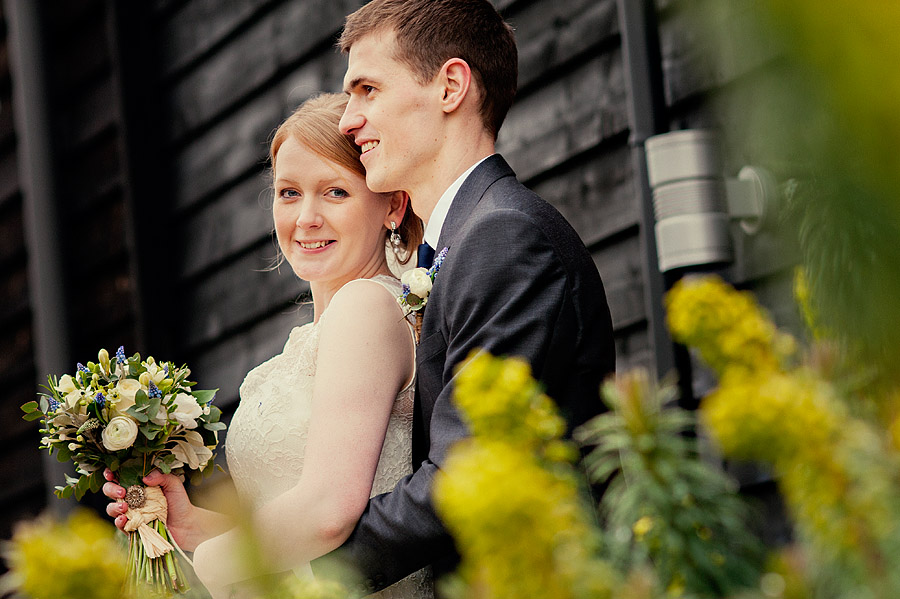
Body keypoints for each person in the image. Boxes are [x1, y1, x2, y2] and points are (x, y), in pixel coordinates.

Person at [319, 0, 616, 593]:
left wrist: (296, 576)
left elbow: (466, 472)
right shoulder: (461, 240)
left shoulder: (504, 236)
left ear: (451, 85)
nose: (349, 120)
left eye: (368, 89)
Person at [103, 93, 432, 599]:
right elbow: (296, 543)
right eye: (289, 192)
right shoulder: (314, 336)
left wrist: (214, 563)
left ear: (393, 203)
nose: (306, 217)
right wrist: (193, 525)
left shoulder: (366, 305)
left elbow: (327, 510)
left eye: (336, 193)